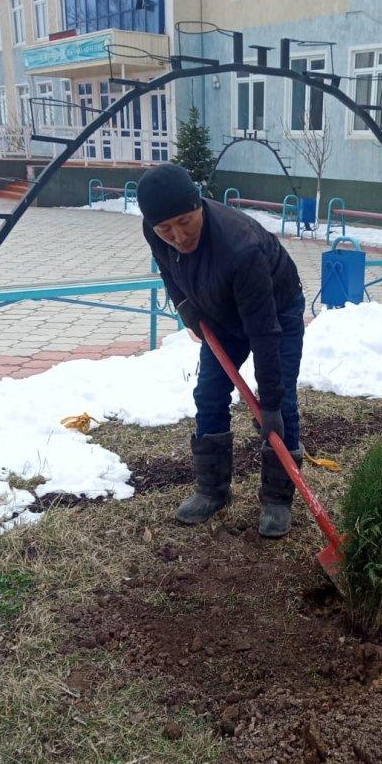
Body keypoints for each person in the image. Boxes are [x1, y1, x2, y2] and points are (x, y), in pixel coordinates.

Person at [137, 163, 305, 538]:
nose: (177, 236)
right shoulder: (155, 229)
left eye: (184, 221)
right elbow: (168, 269)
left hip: (275, 311)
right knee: (209, 393)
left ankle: (277, 498)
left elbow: (264, 333)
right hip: (220, 316)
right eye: (166, 228)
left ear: (199, 205)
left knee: (283, 405)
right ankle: (212, 490)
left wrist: (271, 404)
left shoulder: (240, 247)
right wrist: (184, 305)